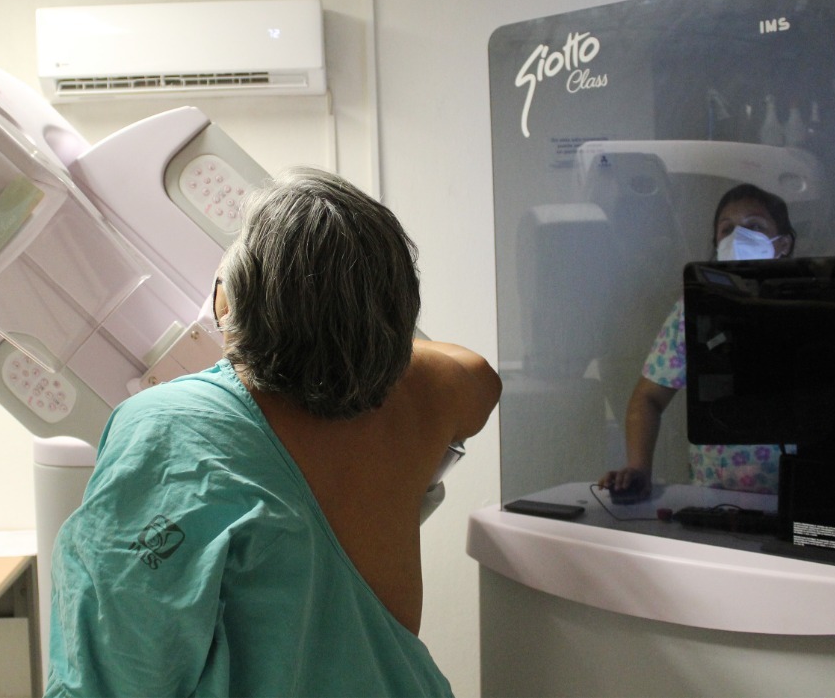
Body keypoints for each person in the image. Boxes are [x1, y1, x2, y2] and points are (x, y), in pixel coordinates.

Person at [45, 167, 502, 698]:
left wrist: (300, 328)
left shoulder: (167, 428)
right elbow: (479, 375)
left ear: (226, 301)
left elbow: (113, 671)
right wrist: (356, 331)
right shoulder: (423, 396)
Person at [599, 182, 835, 502]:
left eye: (755, 226)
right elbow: (647, 397)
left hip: (810, 503)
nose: (739, 237)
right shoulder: (695, 313)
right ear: (716, 244)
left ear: (783, 243)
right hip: (716, 501)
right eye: (727, 229)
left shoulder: (825, 307)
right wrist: (638, 469)